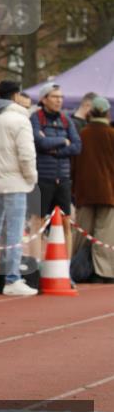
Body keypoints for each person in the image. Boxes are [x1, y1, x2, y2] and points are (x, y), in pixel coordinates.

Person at [0, 80, 38, 296]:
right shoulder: (20, 120)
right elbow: (26, 154)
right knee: (14, 233)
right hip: (15, 182)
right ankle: (12, 278)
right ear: (16, 96)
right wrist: (31, 178)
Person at [30, 82, 81, 256]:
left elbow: (77, 146)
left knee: (67, 222)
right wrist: (62, 141)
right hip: (42, 178)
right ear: (44, 99)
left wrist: (54, 152)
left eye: (61, 97)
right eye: (55, 97)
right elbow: (40, 142)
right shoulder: (35, 118)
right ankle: (35, 266)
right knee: (38, 222)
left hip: (63, 178)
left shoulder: (67, 120)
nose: (59, 101)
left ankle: (66, 268)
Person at [71, 96, 114, 281]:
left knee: (82, 232)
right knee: (105, 233)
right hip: (108, 191)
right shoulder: (111, 134)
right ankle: (102, 272)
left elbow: (73, 163)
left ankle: (79, 270)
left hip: (84, 190)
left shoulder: (82, 134)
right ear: (107, 112)